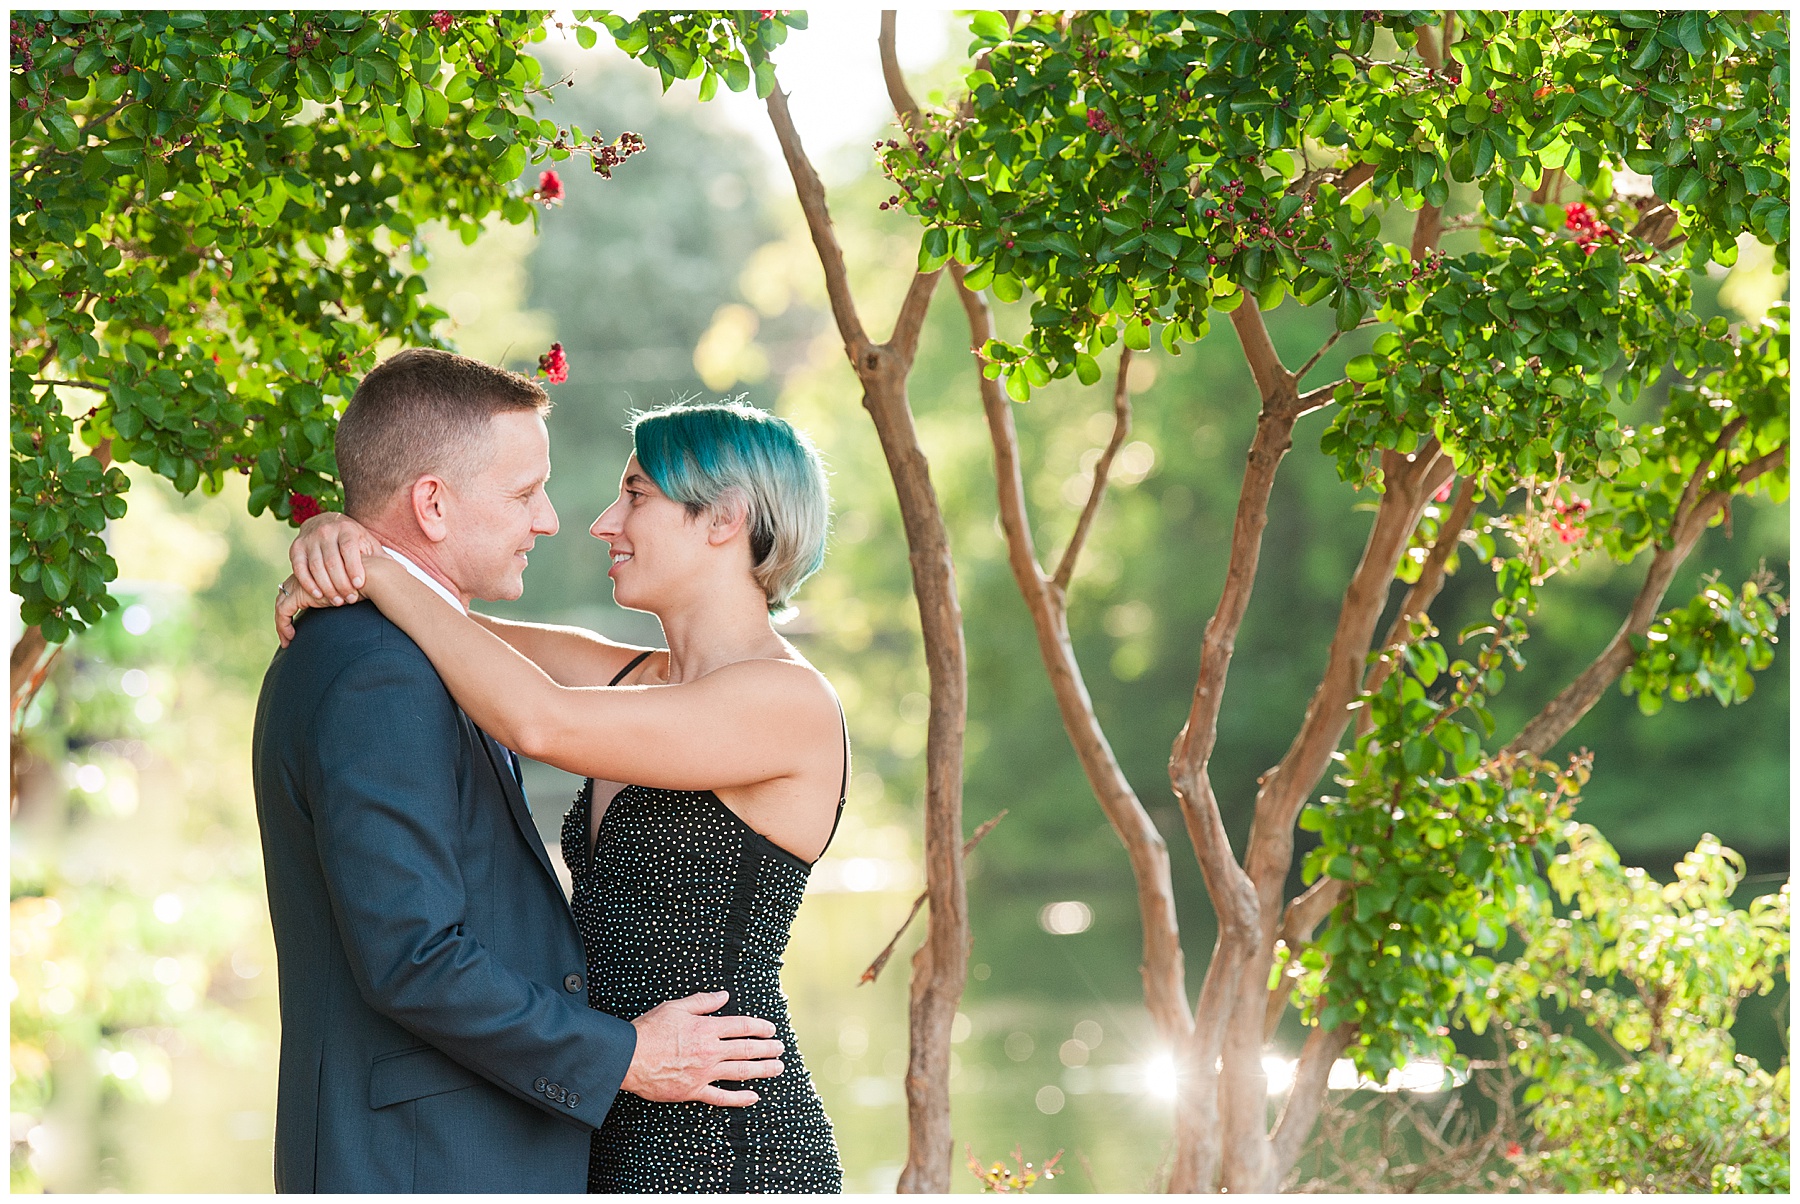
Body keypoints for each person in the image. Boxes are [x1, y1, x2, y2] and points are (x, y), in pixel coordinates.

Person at [277, 396, 848, 1193]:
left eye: (637, 495)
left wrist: (374, 569)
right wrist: (342, 545)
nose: (602, 522)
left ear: (725, 517)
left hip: (723, 1132)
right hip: (611, 1101)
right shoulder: (634, 675)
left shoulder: (787, 704)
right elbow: (445, 619)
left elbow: (537, 721)